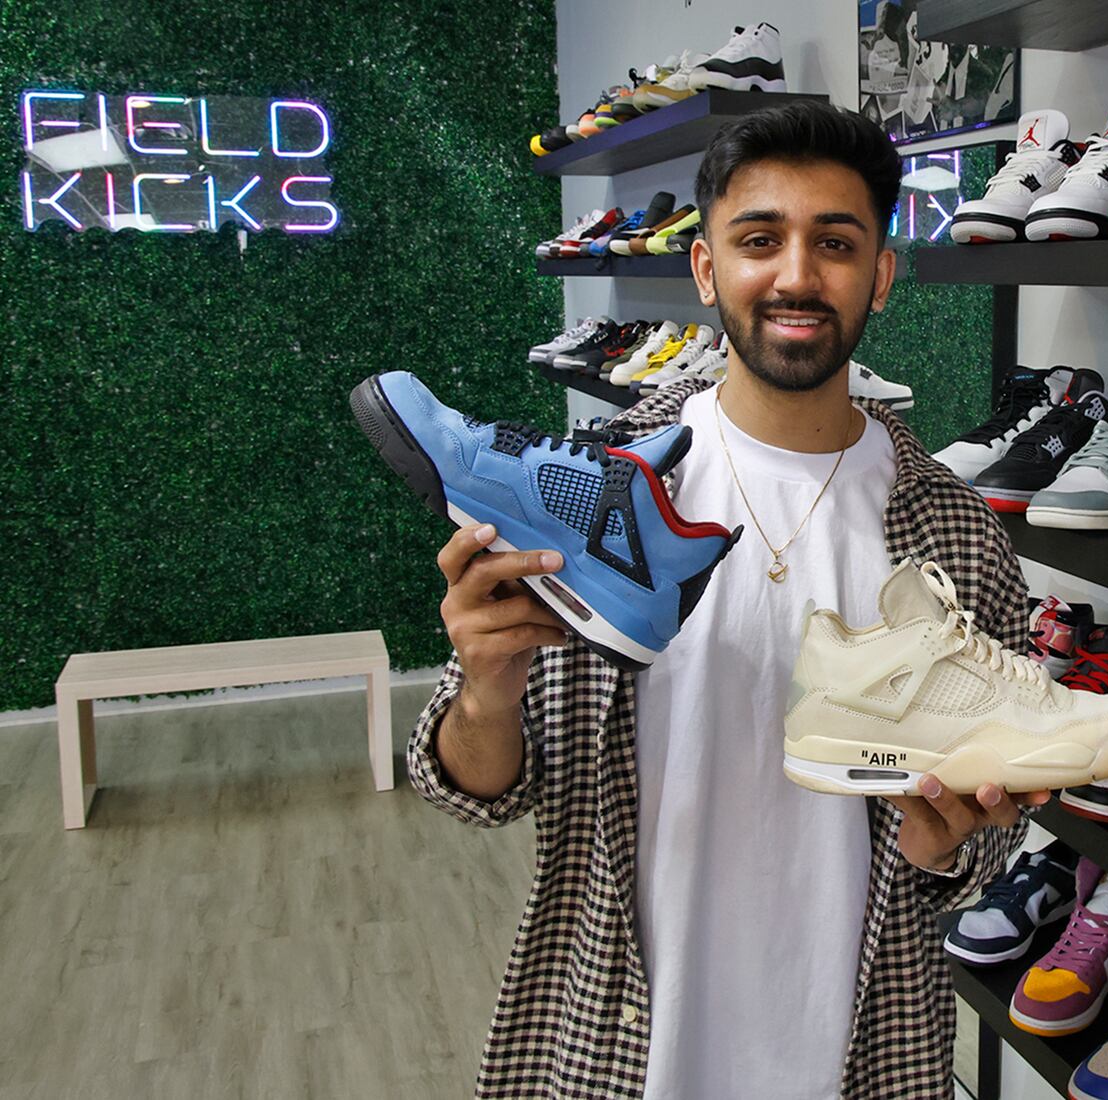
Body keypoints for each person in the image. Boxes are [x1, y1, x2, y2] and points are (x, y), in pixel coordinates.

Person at [408, 99, 1045, 1100]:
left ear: (879, 275)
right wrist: (486, 692)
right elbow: (473, 789)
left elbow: (986, 836)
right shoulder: (587, 491)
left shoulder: (958, 534)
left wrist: (944, 842)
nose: (795, 275)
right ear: (707, 271)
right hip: (612, 1046)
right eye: (759, 240)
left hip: (864, 1050)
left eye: (833, 242)